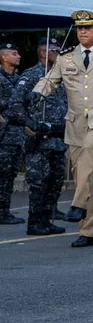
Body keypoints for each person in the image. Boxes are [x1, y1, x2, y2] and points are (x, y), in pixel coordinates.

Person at [30, 10, 93, 247]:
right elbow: (50, 80)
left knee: (89, 150)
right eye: (80, 28)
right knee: (83, 179)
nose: (83, 31)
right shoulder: (66, 57)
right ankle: (88, 232)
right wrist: (37, 93)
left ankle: (76, 205)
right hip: (75, 122)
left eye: (88, 27)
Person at [15, 39, 67, 235]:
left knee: (55, 182)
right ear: (44, 53)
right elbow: (16, 105)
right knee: (39, 182)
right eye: (56, 51)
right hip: (39, 139)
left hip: (59, 138)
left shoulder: (60, 77)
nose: (60, 54)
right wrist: (29, 125)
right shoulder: (32, 75)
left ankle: (47, 219)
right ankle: (35, 221)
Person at [0, 41, 26, 225]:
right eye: (14, 53)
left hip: (17, 135)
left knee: (10, 175)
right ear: (4, 56)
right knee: (2, 174)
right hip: (4, 134)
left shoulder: (18, 79)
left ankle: (4, 210)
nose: (18, 56)